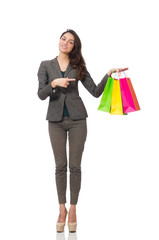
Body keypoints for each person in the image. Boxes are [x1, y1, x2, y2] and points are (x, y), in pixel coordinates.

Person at [37, 29, 128, 232]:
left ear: (74, 46)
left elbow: (95, 92)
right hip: (55, 121)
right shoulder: (45, 65)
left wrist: (108, 74)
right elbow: (41, 94)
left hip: (78, 121)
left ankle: (73, 209)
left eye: (70, 42)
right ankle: (62, 209)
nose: (65, 43)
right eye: (63, 39)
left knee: (75, 167)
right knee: (60, 166)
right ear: (59, 41)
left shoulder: (78, 66)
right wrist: (54, 83)